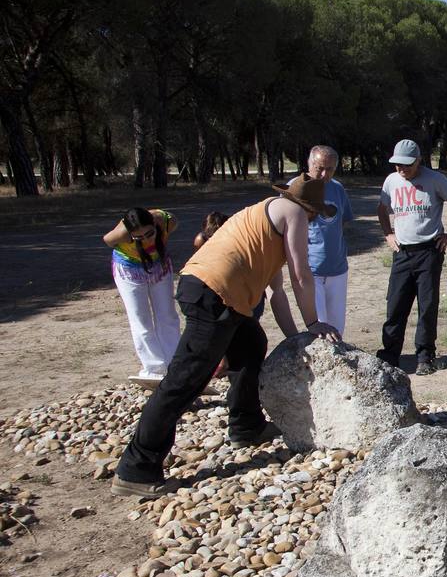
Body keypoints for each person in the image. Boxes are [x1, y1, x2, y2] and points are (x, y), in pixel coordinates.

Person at [111, 178, 341, 498]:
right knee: (183, 381)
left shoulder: (263, 215)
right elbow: (301, 274)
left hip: (207, 288)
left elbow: (277, 291)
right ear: (311, 208)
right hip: (214, 295)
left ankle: (246, 426)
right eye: (317, 214)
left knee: (251, 343)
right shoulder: (295, 215)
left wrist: (299, 335)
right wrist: (314, 321)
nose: (314, 221)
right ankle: (135, 469)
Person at [376, 138, 447, 376]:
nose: (402, 169)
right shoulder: (391, 181)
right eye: (397, 164)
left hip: (429, 251)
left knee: (427, 307)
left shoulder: (435, 179)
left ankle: (425, 357)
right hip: (402, 253)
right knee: (395, 305)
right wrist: (388, 233)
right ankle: (389, 356)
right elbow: (381, 208)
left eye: (407, 164)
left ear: (419, 160)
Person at [104, 207, 182, 386]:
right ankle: (154, 368)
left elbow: (175, 221)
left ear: (155, 225)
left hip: (159, 266)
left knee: (167, 315)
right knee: (140, 318)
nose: (146, 240)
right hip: (129, 270)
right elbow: (107, 240)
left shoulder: (164, 220)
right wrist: (125, 236)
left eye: (150, 234)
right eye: (138, 238)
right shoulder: (122, 233)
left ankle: (173, 363)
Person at [288, 145, 356, 335]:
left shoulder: (337, 189)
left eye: (331, 169)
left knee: (337, 327)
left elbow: (342, 222)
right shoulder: (297, 187)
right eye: (320, 168)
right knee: (319, 327)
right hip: (310, 269)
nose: (325, 174)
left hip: (337, 268)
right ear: (309, 164)